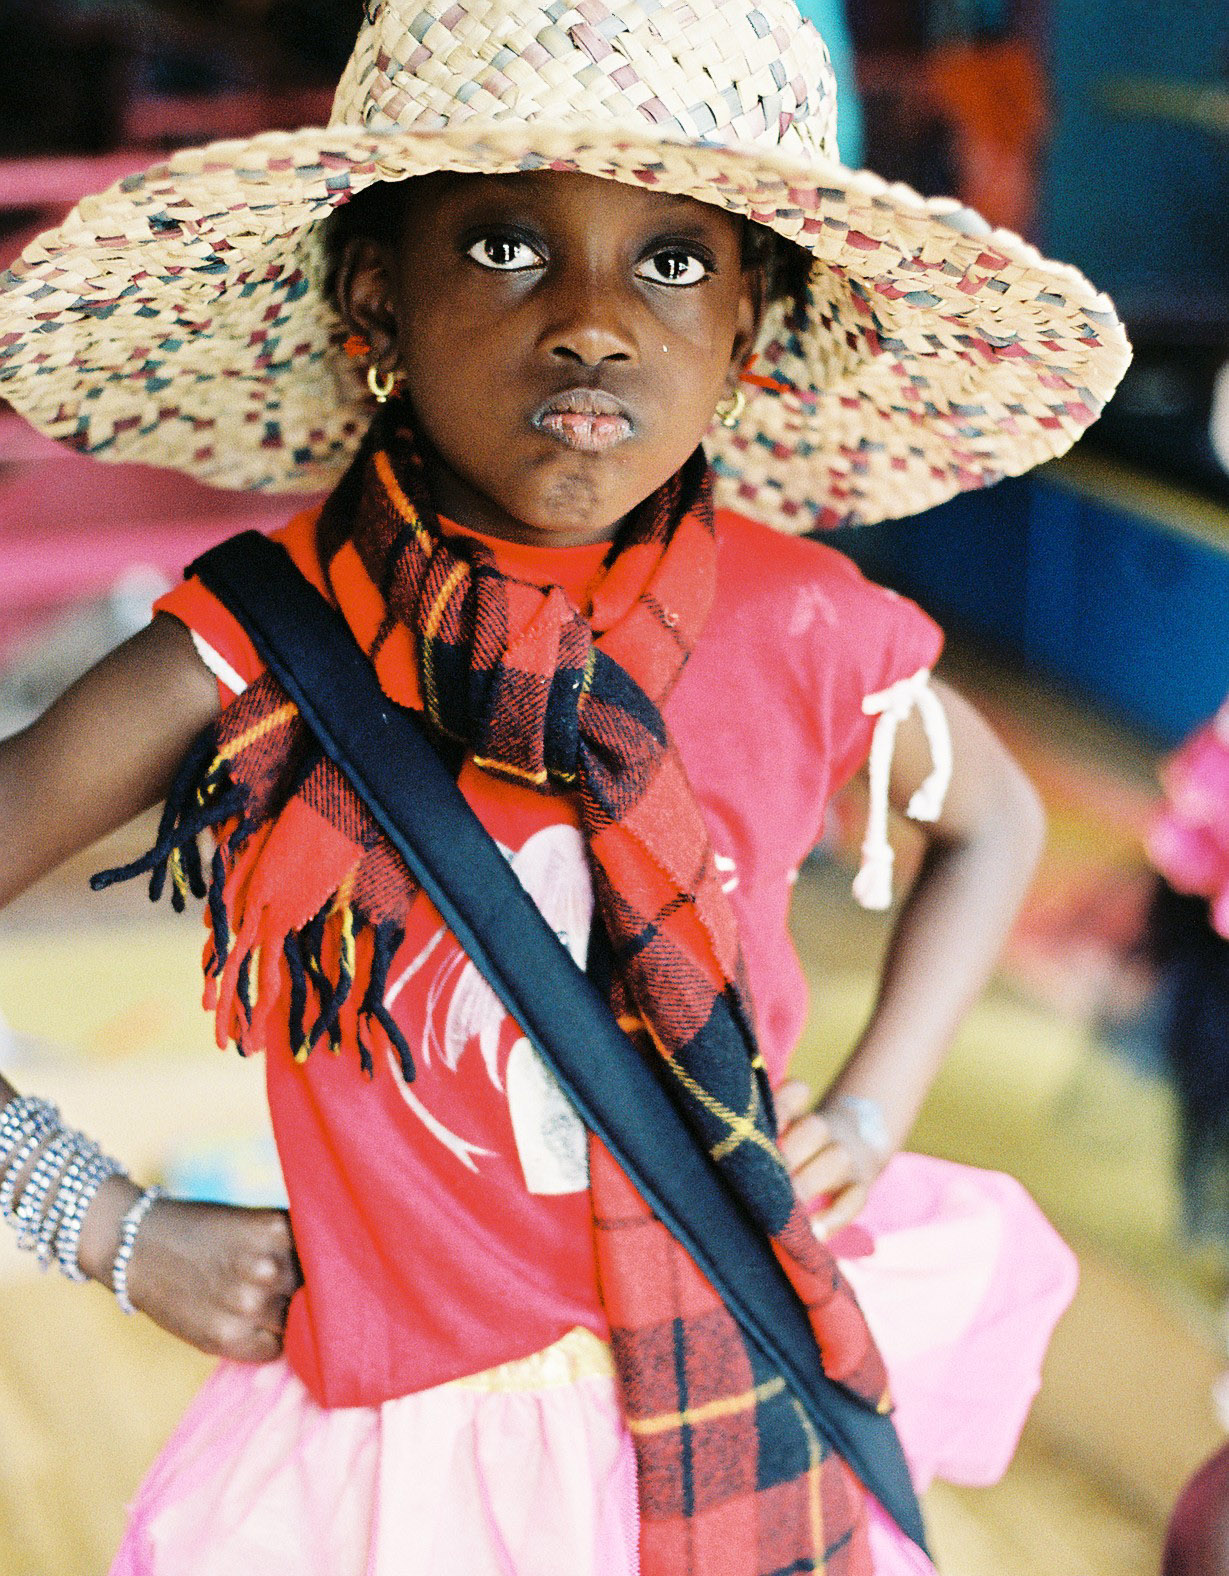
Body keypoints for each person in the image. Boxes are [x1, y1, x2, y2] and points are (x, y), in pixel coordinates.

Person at [0, 0, 1131, 1571]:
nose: (594, 319)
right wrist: (103, 1226)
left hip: (738, 1389)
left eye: (673, 260)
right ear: (374, 297)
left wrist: (870, 1111)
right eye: (505, 244)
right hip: (395, 1478)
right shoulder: (250, 648)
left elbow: (996, 824)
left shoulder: (802, 622)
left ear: (748, 326)